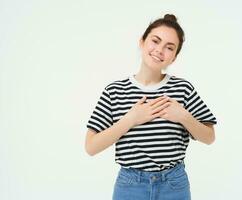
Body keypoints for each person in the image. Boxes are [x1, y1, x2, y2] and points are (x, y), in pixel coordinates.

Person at [85, 14, 217, 200]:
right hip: (130, 185)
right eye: (155, 41)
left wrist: (183, 116)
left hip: (174, 184)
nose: (160, 50)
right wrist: (131, 119)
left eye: (169, 47)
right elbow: (91, 147)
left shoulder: (183, 89)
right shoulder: (114, 91)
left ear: (174, 57)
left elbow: (209, 137)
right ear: (142, 42)